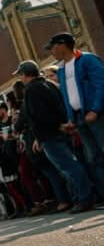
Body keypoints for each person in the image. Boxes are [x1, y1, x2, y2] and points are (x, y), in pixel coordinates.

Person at [15, 60, 96, 213]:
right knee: (71, 165)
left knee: (68, 167)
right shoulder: (50, 84)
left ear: (25, 75)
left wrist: (53, 128)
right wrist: (64, 124)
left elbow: (38, 114)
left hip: (50, 134)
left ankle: (85, 198)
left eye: (21, 75)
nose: (21, 79)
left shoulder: (31, 89)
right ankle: (80, 198)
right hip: (62, 131)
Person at [50, 32, 104, 198]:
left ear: (62, 45)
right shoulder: (61, 69)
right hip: (80, 118)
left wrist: (95, 110)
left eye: (52, 47)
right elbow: (68, 96)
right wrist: (71, 119)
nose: (51, 51)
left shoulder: (87, 60)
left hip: (96, 115)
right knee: (93, 158)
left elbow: (101, 84)